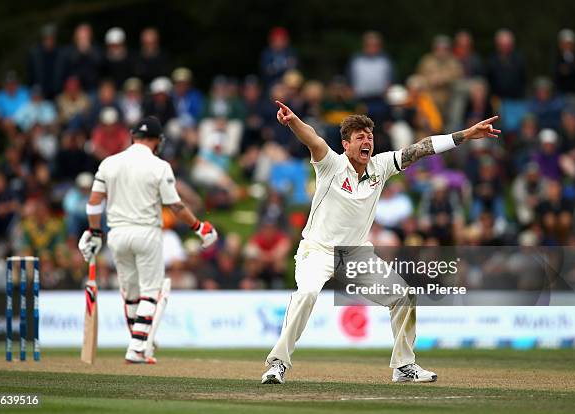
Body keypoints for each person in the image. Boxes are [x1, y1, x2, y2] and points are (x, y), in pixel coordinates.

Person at [260, 100, 500, 384]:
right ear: (346, 144)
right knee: (308, 293)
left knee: (404, 296)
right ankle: (278, 364)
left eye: (370, 137)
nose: (367, 142)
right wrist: (293, 121)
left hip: (356, 256)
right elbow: (312, 137)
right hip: (318, 250)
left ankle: (404, 366)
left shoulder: (381, 166)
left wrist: (464, 135)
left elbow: (421, 148)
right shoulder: (330, 164)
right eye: (360, 137)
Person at [77, 116, 218, 364]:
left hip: (117, 235)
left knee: (131, 294)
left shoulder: (109, 163)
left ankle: (139, 342)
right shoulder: (159, 166)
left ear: (133, 137)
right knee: (150, 292)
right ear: (156, 141)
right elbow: (175, 206)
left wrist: (95, 232)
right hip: (146, 233)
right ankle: (137, 347)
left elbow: (93, 204)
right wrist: (199, 227)